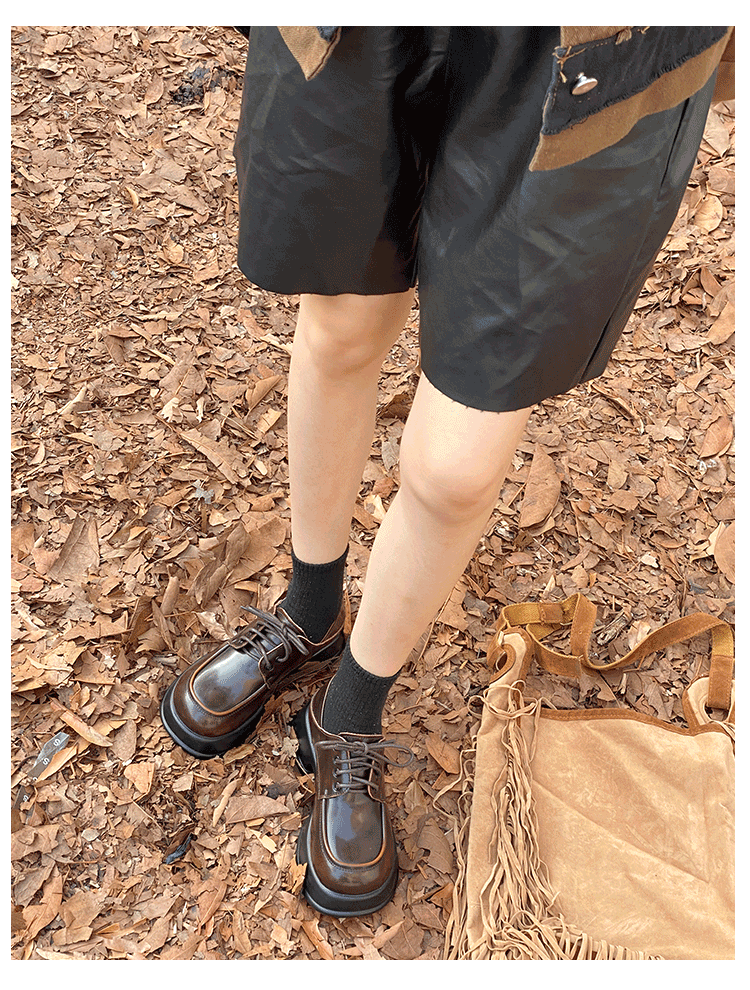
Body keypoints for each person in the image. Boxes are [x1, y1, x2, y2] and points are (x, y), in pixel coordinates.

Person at [160, 26, 734, 917]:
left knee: (459, 465)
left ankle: (348, 711)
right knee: (341, 326)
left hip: (588, 49)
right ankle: (310, 613)